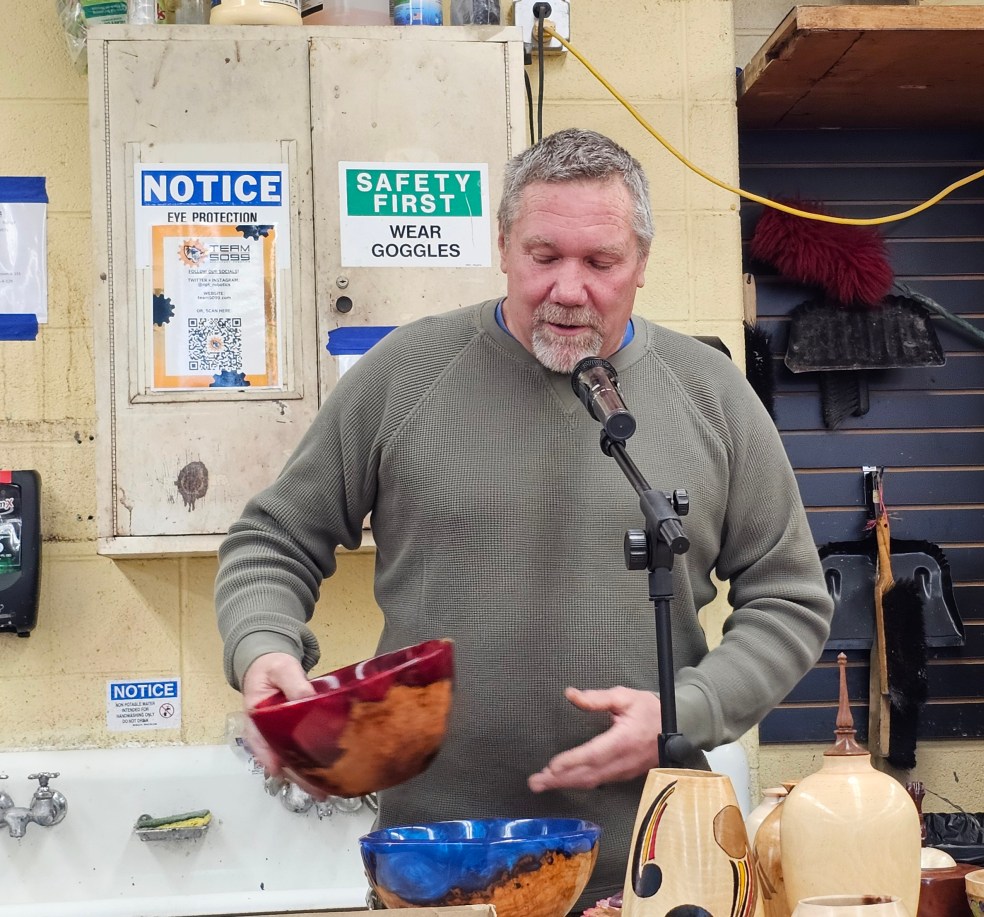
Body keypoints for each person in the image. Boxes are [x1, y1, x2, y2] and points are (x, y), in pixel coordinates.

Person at [215, 127, 833, 912]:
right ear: (503, 246)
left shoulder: (711, 395)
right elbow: (274, 538)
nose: (569, 288)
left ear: (642, 262)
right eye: (544, 256)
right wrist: (263, 647)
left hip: (646, 878)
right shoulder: (405, 375)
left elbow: (790, 598)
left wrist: (689, 711)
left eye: (600, 262)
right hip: (437, 875)